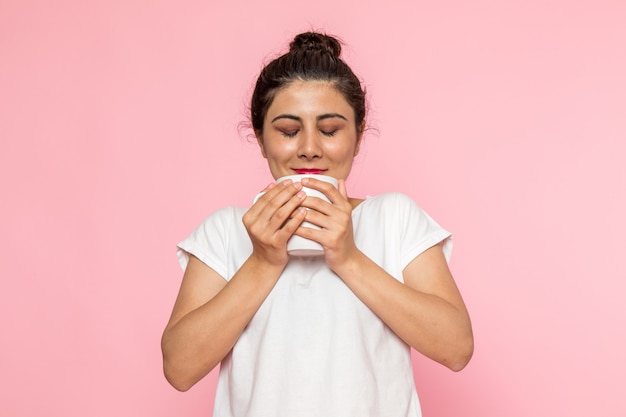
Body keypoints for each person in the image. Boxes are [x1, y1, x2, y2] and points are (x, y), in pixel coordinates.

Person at [161, 31, 473, 417]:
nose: (309, 147)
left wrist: (348, 258)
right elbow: (179, 369)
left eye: (329, 130)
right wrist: (262, 262)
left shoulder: (394, 218)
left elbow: (457, 348)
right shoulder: (226, 230)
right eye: (289, 131)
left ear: (358, 137)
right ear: (260, 139)